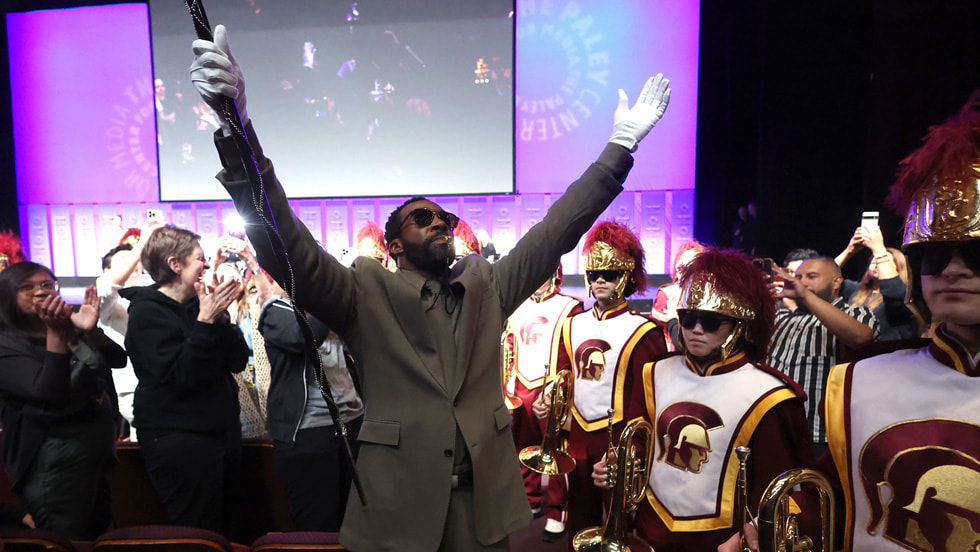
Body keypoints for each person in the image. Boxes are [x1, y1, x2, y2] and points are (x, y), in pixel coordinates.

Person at [190, 23, 670, 552]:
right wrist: (238, 127)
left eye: (443, 216)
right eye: (423, 218)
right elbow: (286, 242)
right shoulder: (361, 294)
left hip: (480, 509)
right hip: (397, 508)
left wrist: (619, 146)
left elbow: (557, 229)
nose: (440, 221)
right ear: (394, 246)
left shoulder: (487, 285)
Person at [721, 85, 980, 552]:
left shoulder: (855, 334)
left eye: (977, 255)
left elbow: (860, 327)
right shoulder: (865, 383)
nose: (953, 270)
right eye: (936, 254)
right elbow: (829, 507)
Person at [590, 248, 811, 552]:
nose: (695, 329)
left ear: (740, 324)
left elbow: (778, 488)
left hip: (721, 541)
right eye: (688, 317)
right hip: (650, 528)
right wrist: (618, 462)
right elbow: (641, 440)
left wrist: (752, 533)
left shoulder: (771, 396)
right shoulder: (655, 372)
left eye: (711, 322)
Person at [532, 221, 667, 551]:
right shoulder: (572, 323)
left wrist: (630, 449)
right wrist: (547, 400)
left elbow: (649, 399)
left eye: (608, 273)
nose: (600, 280)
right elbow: (563, 375)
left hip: (621, 438)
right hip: (577, 433)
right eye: (594, 274)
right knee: (579, 519)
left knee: (625, 522)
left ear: (626, 276)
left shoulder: (644, 330)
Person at [120, 225, 249, 535]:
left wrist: (217, 318)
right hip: (179, 438)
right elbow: (181, 377)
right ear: (175, 265)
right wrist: (205, 322)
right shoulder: (146, 314)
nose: (206, 266)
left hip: (221, 433)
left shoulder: (200, 304)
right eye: (199, 259)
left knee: (231, 527)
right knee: (198, 531)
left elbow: (237, 360)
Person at [0, 261, 123, 539]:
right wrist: (58, 335)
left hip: (93, 454)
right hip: (53, 463)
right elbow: (50, 394)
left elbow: (117, 360)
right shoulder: (7, 343)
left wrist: (90, 331)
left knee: (96, 536)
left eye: (47, 285)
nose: (41, 292)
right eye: (27, 287)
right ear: (8, 295)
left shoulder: (64, 327)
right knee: (65, 540)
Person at [259, 290, 364, 531]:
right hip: (309, 433)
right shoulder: (277, 311)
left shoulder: (330, 311)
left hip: (351, 421)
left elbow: (362, 342)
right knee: (318, 522)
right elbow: (305, 336)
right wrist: (325, 301)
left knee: (354, 519)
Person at [767, 256, 878, 456]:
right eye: (798, 277)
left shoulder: (858, 313)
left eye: (812, 276)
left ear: (836, 281)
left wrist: (805, 295)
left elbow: (861, 337)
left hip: (821, 437)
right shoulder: (782, 316)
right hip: (774, 431)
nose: (802, 282)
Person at [505, 265, 583, 539]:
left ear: (555, 274)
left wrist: (557, 392)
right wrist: (507, 388)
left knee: (557, 452)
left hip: (552, 388)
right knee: (523, 449)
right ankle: (531, 500)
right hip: (521, 387)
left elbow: (571, 354)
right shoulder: (517, 305)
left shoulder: (570, 306)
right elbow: (510, 349)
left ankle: (557, 511)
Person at [96, 216, 163, 440]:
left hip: (161, 378)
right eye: (126, 261)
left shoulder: (150, 290)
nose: (135, 265)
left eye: (136, 261)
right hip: (131, 385)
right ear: (106, 270)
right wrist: (142, 242)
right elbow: (110, 286)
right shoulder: (104, 298)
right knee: (147, 436)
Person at [834, 225, 920, 340]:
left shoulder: (905, 294)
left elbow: (894, 294)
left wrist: (879, 249)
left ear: (898, 269)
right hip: (856, 355)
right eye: (874, 261)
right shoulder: (856, 290)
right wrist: (849, 251)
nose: (876, 263)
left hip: (887, 354)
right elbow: (826, 279)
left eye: (882, 261)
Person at [650, 240, 705, 350]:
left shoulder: (709, 295)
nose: (682, 271)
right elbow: (653, 331)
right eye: (680, 266)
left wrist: (675, 319)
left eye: (689, 266)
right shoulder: (668, 293)